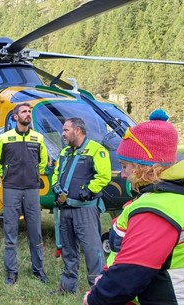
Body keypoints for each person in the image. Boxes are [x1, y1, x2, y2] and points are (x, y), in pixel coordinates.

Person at [84, 109, 184, 305]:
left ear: (145, 166)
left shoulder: (157, 209)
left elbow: (130, 274)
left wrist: (95, 298)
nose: (122, 174)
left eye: (125, 166)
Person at [50, 118, 111, 294]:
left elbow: (104, 176)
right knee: (68, 249)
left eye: (66, 130)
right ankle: (67, 287)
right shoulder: (64, 152)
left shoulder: (96, 150)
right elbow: (56, 173)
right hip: (66, 209)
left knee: (92, 249)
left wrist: (89, 190)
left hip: (85, 209)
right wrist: (56, 187)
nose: (63, 134)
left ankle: (97, 289)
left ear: (77, 130)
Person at [0, 103, 48, 285]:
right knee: (10, 231)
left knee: (35, 231)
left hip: (32, 189)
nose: (28, 114)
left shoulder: (38, 138)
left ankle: (39, 270)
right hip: (12, 189)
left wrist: (33, 175)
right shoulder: (5, 138)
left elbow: (43, 162)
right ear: (15, 117)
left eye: (29, 112)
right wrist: (7, 177)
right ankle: (11, 272)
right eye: (24, 112)